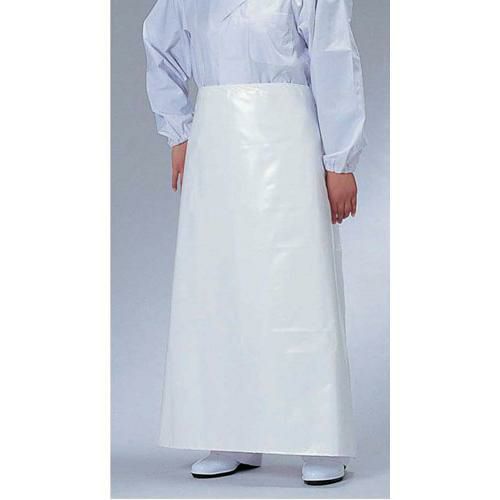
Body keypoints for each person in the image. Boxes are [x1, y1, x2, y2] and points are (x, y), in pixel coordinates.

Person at [143, 0, 366, 486]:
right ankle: (230, 434)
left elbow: (333, 58)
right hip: (217, 143)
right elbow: (159, 42)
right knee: (221, 286)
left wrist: (339, 161)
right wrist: (178, 131)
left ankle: (318, 436)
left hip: (288, 138)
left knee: (298, 286)